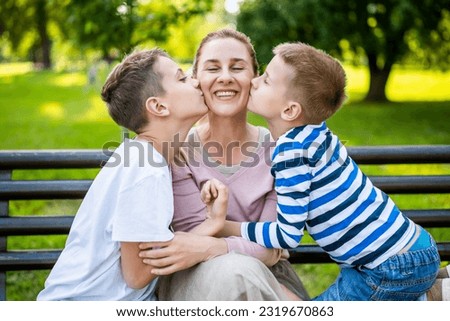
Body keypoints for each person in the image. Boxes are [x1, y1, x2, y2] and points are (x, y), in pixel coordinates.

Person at [210, 42, 441, 301]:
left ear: (290, 110)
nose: (253, 81)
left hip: (389, 270)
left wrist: (227, 227)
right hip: (404, 252)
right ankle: (427, 295)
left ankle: (429, 297)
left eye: (266, 80)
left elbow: (287, 235)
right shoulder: (316, 132)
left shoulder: (291, 154)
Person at [37, 48, 227, 300]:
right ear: (158, 106)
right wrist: (211, 227)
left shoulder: (144, 157)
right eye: (182, 78)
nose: (195, 81)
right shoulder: (145, 169)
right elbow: (137, 275)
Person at [138, 29, 309, 301]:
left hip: (269, 274)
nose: (225, 76)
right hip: (193, 274)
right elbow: (189, 240)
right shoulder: (177, 152)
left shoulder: (282, 151)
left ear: (255, 79)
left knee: (238, 274)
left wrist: (212, 246)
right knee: (234, 274)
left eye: (238, 67)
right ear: (196, 80)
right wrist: (216, 248)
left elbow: (271, 249)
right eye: (213, 68)